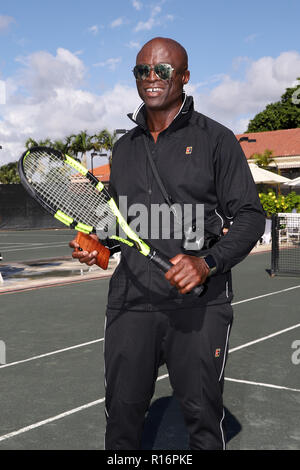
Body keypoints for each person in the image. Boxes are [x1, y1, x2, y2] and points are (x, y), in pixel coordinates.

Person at [69, 37, 265, 450]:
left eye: (163, 70)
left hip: (199, 304)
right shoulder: (123, 148)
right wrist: (99, 245)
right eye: (143, 70)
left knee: (201, 421)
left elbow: (250, 216)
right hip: (131, 303)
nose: (151, 78)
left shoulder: (216, 139)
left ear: (185, 77)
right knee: (121, 420)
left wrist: (207, 263)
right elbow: (120, 226)